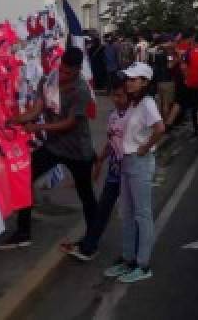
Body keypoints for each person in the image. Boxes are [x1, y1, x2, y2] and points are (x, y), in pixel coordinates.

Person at [0, 47, 97, 249]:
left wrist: (38, 127)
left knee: (86, 194)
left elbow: (70, 123)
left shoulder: (81, 90)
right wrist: (15, 120)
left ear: (78, 70)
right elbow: (36, 110)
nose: (63, 75)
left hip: (78, 150)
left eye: (68, 72)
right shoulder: (48, 80)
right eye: (61, 69)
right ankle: (23, 232)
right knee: (25, 178)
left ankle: (92, 238)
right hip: (54, 146)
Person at [101, 62, 165, 283]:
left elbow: (160, 128)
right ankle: (128, 258)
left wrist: (145, 148)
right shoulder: (133, 103)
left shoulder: (147, 103)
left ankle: (143, 264)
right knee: (127, 213)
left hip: (139, 162)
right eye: (128, 79)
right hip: (126, 161)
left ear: (145, 82)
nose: (128, 83)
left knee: (142, 214)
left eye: (133, 79)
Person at [62, 72, 129, 262]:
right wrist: (100, 160)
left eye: (120, 95)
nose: (116, 99)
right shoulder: (113, 116)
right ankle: (89, 246)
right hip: (115, 172)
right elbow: (111, 141)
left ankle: (133, 256)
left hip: (130, 173)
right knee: (102, 211)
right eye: (114, 95)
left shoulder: (135, 115)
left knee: (131, 214)